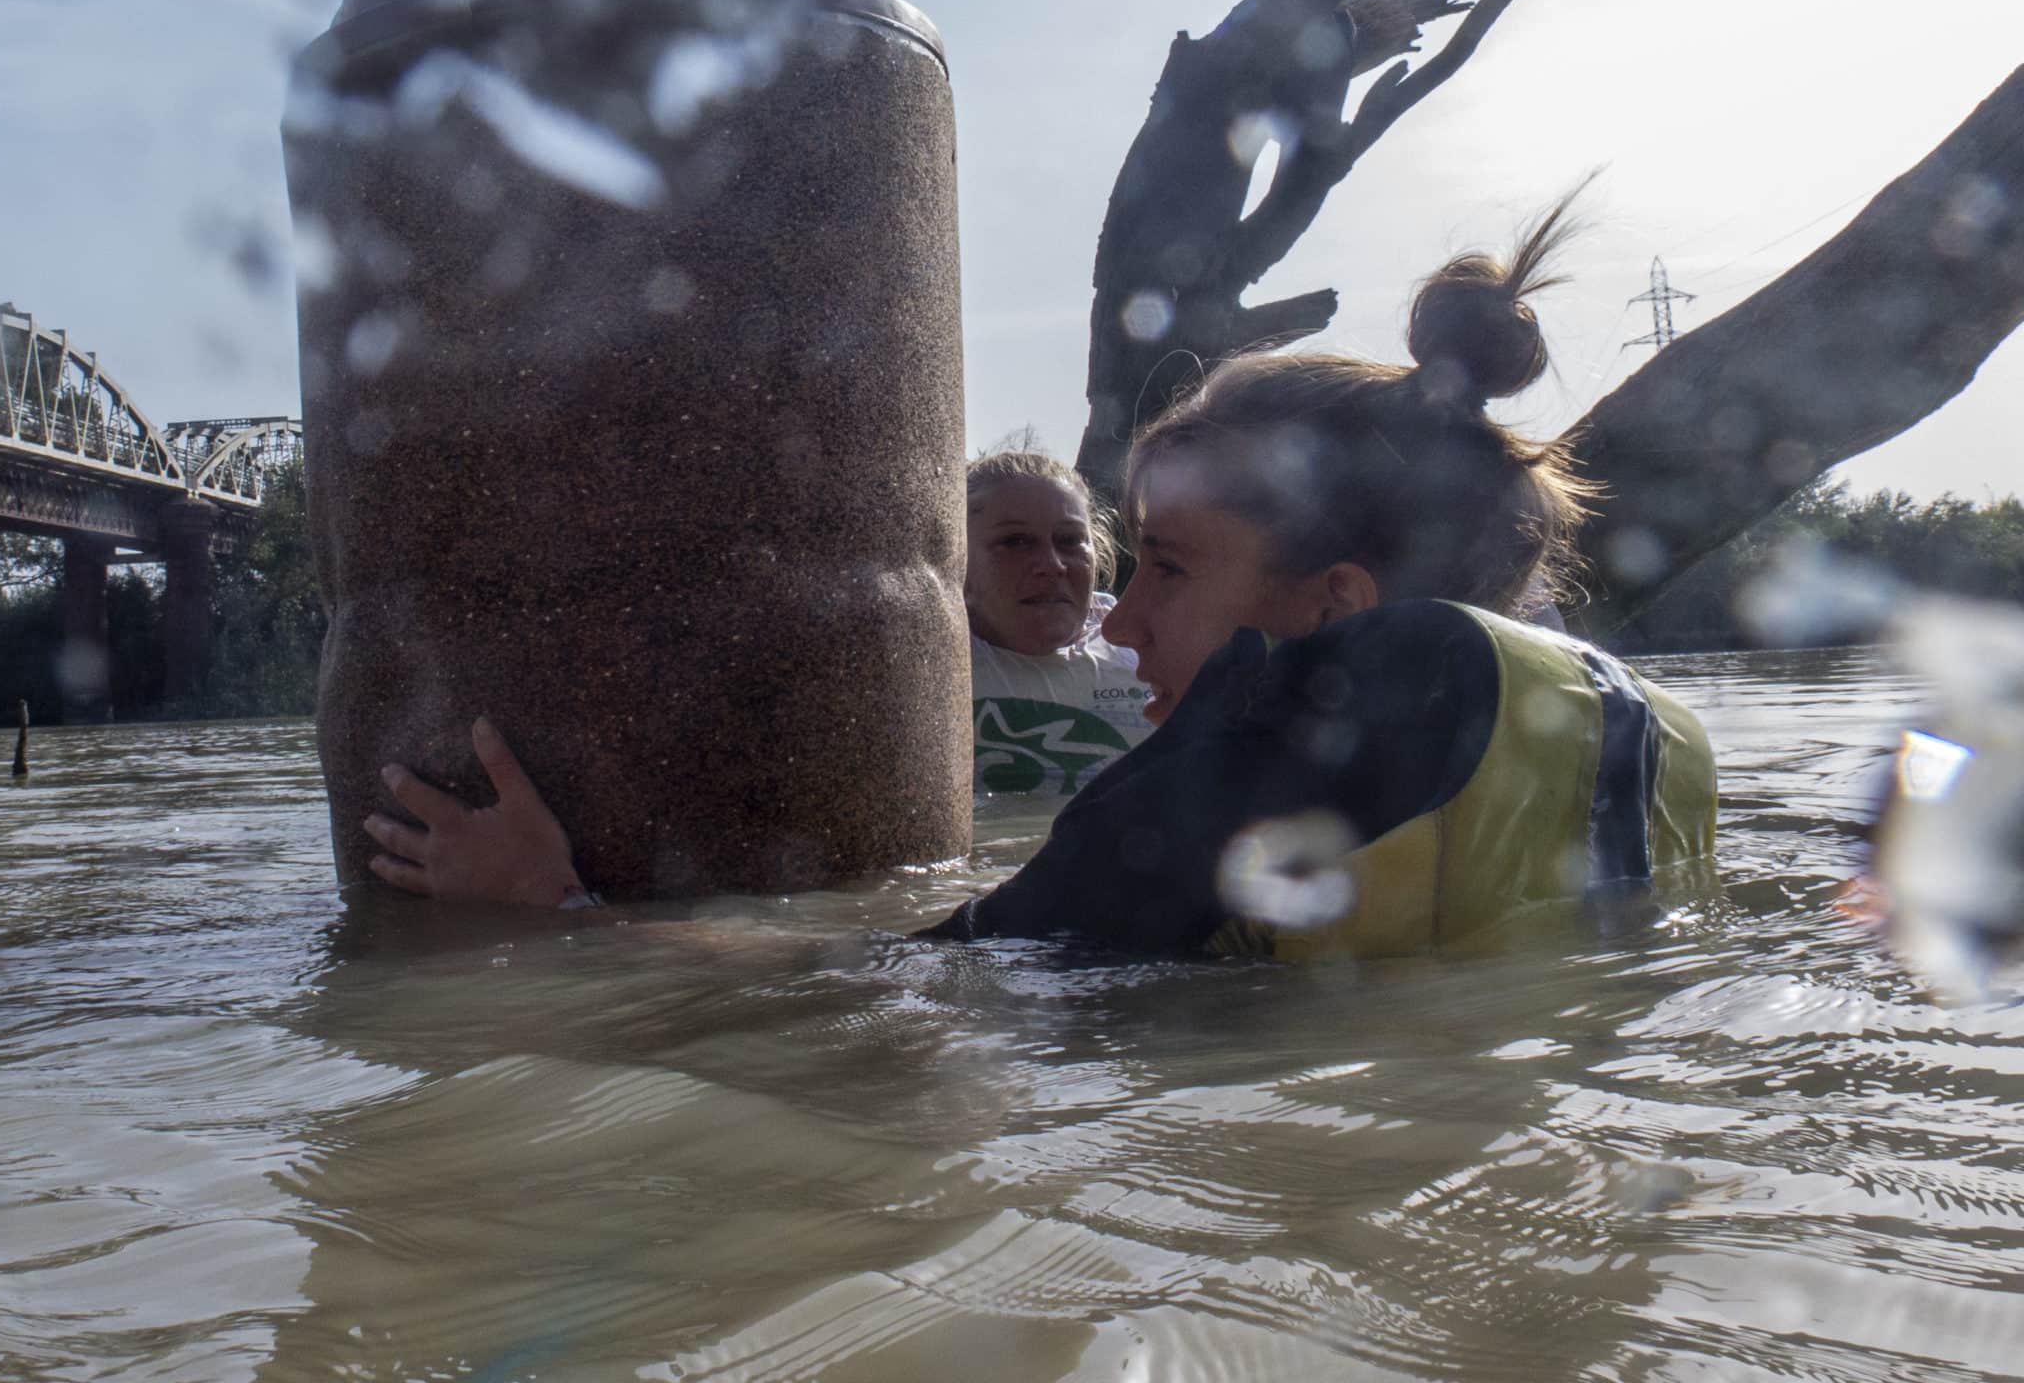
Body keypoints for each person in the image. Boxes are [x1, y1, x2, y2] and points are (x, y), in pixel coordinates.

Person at [363, 202, 1718, 957]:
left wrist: (561, 915)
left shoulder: (1285, 738)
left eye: (1168, 570)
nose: (1116, 614)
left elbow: (882, 994)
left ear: (1336, 610)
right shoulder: (1629, 721)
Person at [962, 448, 1152, 794]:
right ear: (959, 562)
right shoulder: (927, 666)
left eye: (1069, 541)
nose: (1052, 564)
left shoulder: (1149, 654)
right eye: (1015, 542)